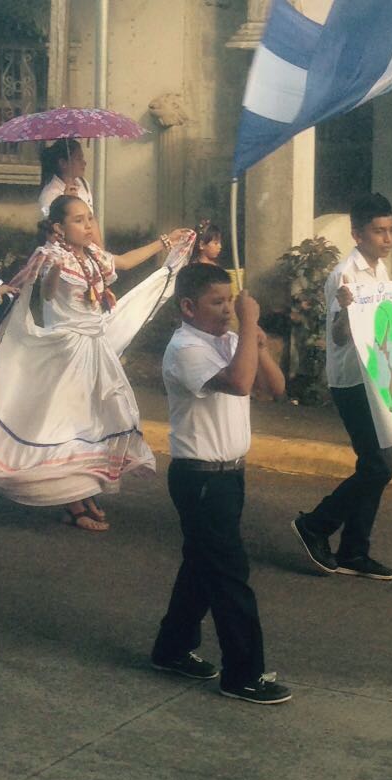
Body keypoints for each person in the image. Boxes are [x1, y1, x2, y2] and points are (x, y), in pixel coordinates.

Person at [0, 195, 192, 530]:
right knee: (69, 424)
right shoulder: (53, 257)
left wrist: (166, 240)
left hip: (95, 348)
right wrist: (53, 270)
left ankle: (81, 494)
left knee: (96, 419)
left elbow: (123, 262)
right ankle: (74, 502)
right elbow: (49, 295)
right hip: (67, 351)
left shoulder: (93, 255)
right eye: (78, 220)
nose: (88, 225)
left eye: (89, 218)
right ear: (59, 227)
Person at [151, 263, 291, 705]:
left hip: (231, 475)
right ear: (188, 307)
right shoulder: (184, 348)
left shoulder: (231, 340)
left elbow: (274, 387)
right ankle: (243, 674)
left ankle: (171, 648)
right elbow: (239, 382)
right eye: (217, 302)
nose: (228, 310)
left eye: (231, 300)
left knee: (200, 567)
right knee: (231, 575)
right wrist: (248, 325)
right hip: (201, 479)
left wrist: (259, 341)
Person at [291, 193, 392, 581]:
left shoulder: (381, 270)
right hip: (352, 380)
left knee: (376, 466)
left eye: (390, 231)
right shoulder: (345, 274)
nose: (387, 239)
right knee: (378, 465)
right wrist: (347, 308)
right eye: (378, 232)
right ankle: (316, 524)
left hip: (378, 378)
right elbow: (337, 337)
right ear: (358, 234)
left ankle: (354, 550)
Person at [38, 139, 103, 247]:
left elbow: (91, 220)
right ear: (63, 163)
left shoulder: (83, 183)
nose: (84, 162)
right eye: (78, 159)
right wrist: (66, 200)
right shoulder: (49, 194)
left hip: (87, 248)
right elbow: (50, 230)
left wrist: (100, 250)